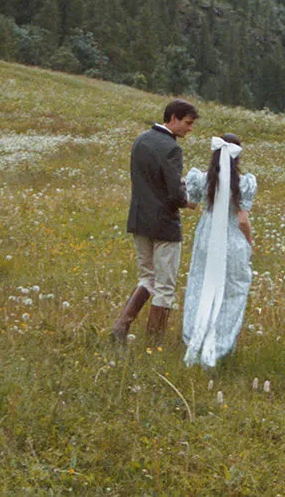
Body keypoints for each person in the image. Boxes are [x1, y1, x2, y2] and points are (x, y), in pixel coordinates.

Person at [110, 99, 199, 342]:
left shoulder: (141, 140)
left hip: (139, 219)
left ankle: (120, 327)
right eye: (188, 123)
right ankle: (153, 342)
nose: (190, 129)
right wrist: (187, 201)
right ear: (174, 119)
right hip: (164, 224)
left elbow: (146, 180)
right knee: (165, 285)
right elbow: (173, 192)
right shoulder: (172, 148)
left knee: (147, 277)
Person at [181, 133, 257, 368]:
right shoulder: (244, 182)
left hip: (207, 238)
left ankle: (196, 337)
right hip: (232, 239)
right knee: (233, 291)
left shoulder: (203, 179)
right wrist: (250, 242)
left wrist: (184, 186)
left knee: (201, 285)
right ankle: (222, 345)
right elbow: (243, 220)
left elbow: (191, 205)